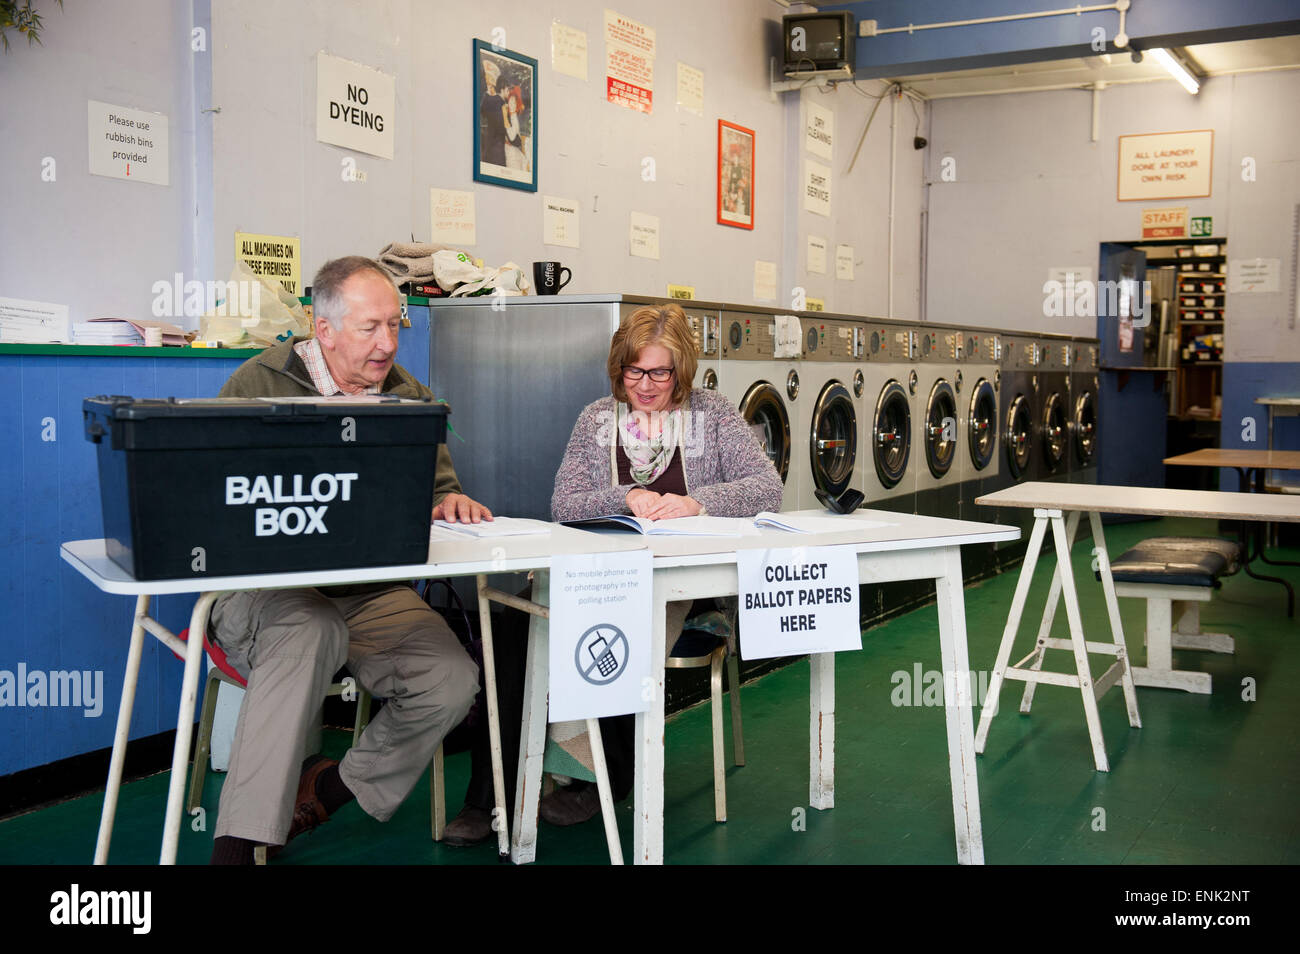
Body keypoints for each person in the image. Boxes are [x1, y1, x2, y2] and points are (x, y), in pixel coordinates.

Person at [443, 303, 782, 842]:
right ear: (618, 368)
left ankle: (599, 778)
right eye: (633, 371)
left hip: (678, 582)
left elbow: (768, 489)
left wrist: (696, 501)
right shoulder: (597, 419)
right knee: (510, 631)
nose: (645, 385)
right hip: (595, 572)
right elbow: (565, 503)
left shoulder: (712, 416)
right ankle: (490, 798)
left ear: (683, 370)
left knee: (616, 629)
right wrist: (628, 494)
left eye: (659, 372)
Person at [208, 256, 492, 864]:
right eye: (371, 327)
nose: (388, 343)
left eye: (395, 325)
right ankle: (236, 848)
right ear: (324, 328)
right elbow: (212, 502)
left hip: (366, 593)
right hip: (265, 596)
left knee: (451, 680)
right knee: (311, 628)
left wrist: (450, 500)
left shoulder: (409, 397)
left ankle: (326, 789)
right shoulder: (256, 386)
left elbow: (438, 485)